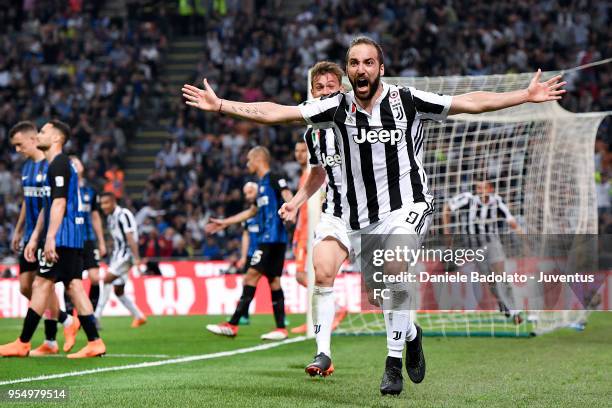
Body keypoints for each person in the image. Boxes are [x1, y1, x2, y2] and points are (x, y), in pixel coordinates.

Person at [182, 36, 565, 395]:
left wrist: (524, 96)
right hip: (352, 216)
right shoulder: (335, 108)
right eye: (354, 63)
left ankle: (392, 364)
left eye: (368, 62)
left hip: (405, 206)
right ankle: (410, 335)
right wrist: (222, 105)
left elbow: (469, 102)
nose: (361, 69)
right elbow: (277, 113)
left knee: (395, 267)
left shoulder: (406, 100)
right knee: (362, 286)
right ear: (349, 72)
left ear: (380, 68)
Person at [0, 120, 105, 358]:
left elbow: (59, 202)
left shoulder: (58, 164)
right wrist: (37, 235)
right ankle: (94, 340)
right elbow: (48, 206)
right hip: (68, 235)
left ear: (57, 138)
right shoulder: (54, 164)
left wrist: (50, 237)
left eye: (44, 131)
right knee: (74, 286)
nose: (39, 135)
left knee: (41, 284)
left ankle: (24, 342)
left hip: (63, 235)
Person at [279, 62, 349, 375]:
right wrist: (295, 203)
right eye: (319, 87)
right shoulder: (313, 133)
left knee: (382, 292)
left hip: (378, 213)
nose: (324, 92)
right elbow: (318, 174)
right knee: (320, 275)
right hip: (336, 212)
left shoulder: (360, 120)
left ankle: (408, 338)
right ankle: (323, 354)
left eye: (330, 86)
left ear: (342, 89)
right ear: (312, 92)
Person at [205, 146, 293, 340]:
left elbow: (287, 194)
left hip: (271, 239)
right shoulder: (261, 184)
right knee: (273, 281)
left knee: (250, 277)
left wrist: (292, 208)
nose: (247, 164)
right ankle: (280, 328)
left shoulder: (273, 177)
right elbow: (251, 212)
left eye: (249, 160)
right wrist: (224, 222)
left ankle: (233, 324)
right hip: (272, 240)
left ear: (258, 159)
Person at [8, 121, 76, 356]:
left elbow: (54, 203)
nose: (17, 150)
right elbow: (28, 201)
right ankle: (66, 320)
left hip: (47, 234)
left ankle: (49, 340)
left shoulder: (51, 165)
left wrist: (43, 235)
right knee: (27, 287)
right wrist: (19, 230)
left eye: (19, 145)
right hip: (30, 235)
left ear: (31, 139)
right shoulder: (27, 168)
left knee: (43, 284)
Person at [442, 178, 523, 323]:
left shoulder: (497, 201)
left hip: (492, 242)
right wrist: (447, 232)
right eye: (478, 188)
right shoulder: (467, 199)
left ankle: (515, 309)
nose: (480, 191)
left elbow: (510, 220)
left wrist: (523, 236)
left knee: (501, 276)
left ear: (490, 189)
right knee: (490, 279)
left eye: (483, 188)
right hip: (474, 246)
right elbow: (447, 208)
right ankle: (502, 303)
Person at [62, 156, 107, 351]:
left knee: (95, 278)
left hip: (88, 240)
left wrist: (102, 240)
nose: (74, 164)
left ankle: (91, 316)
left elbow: (96, 217)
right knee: (71, 282)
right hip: (71, 239)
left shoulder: (90, 191)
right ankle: (73, 319)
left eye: (77, 161)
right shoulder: (64, 188)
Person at [94, 192, 147, 328]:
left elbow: (130, 236)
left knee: (106, 279)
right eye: (101, 204)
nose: (103, 206)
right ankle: (139, 316)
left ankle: (95, 318)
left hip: (126, 255)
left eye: (106, 203)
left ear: (113, 202)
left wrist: (136, 258)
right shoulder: (111, 217)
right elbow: (116, 237)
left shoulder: (124, 214)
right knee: (118, 290)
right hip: (117, 256)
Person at [235, 181, 260, 325]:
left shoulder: (265, 210)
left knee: (273, 283)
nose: (247, 196)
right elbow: (245, 236)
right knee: (246, 283)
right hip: (251, 254)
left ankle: (281, 317)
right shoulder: (248, 215)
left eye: (250, 192)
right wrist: (244, 256)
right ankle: (244, 315)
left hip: (266, 251)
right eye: (245, 193)